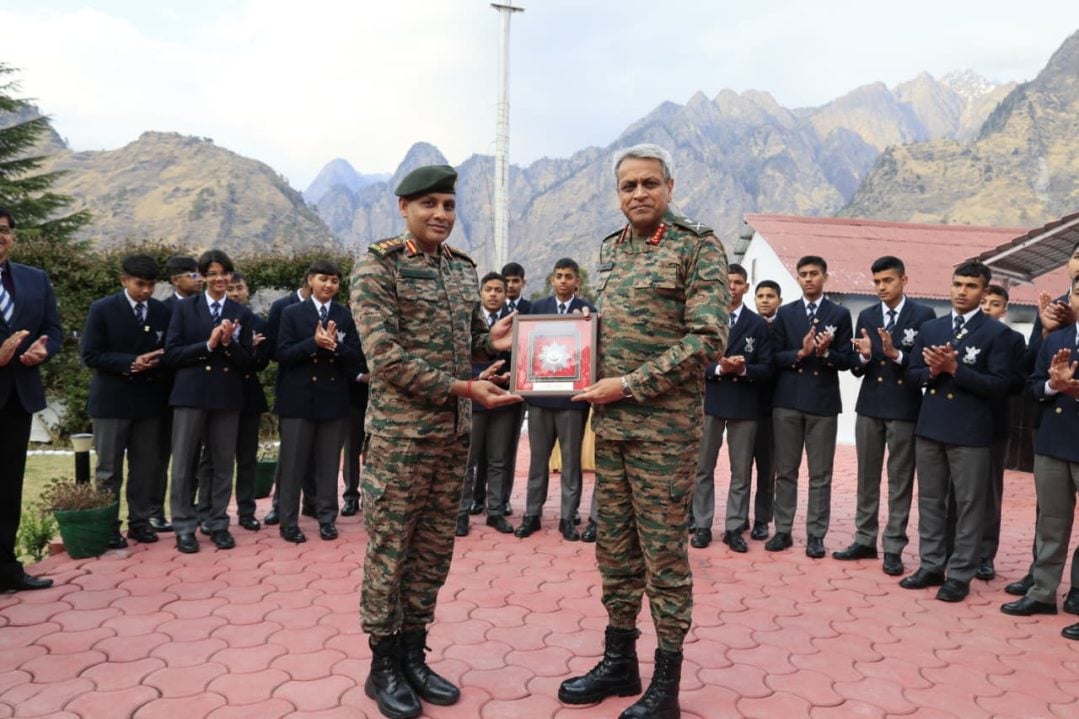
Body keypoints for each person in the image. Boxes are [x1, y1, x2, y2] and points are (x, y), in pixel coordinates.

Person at [558, 144, 728, 719]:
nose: (638, 194)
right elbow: (610, 326)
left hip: (663, 432)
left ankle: (667, 682)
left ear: (670, 187)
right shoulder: (610, 249)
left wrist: (628, 384)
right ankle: (620, 660)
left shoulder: (697, 246)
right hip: (611, 426)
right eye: (628, 185)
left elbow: (706, 340)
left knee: (663, 554)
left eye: (648, 183)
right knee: (615, 549)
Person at [351, 164, 520, 719]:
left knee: (432, 553)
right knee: (390, 552)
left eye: (448, 204)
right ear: (403, 207)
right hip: (401, 438)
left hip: (451, 437)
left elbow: (468, 337)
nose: (441, 215)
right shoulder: (379, 267)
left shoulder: (461, 269)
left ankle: (413, 653)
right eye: (429, 204)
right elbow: (386, 358)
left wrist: (488, 339)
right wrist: (461, 386)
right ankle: (382, 666)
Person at [901, 261, 1014, 603]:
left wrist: (955, 369)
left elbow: (1001, 385)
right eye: (957, 284)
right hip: (932, 425)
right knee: (932, 500)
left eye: (971, 286)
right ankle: (931, 565)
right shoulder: (932, 328)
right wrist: (932, 373)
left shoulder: (999, 335)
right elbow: (911, 373)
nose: (962, 291)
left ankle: (961, 573)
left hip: (971, 430)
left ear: (984, 292)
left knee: (968, 504)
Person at [833, 256, 935, 575]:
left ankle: (893, 546)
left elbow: (921, 365)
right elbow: (855, 365)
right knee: (867, 476)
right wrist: (863, 358)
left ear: (904, 281)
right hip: (870, 406)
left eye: (887, 281)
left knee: (900, 479)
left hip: (904, 406)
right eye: (876, 281)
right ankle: (865, 539)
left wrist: (896, 354)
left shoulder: (923, 315)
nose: (880, 287)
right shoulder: (866, 314)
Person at [1001, 273, 1079, 635]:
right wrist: (1053, 384)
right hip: (1053, 442)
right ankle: (1043, 593)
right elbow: (1033, 387)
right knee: (1051, 523)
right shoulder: (1057, 339)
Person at [164, 249, 254, 554]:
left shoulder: (242, 313)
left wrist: (228, 345)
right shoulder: (185, 309)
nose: (219, 279)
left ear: (230, 276)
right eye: (212, 273)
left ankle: (218, 523)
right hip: (191, 394)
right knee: (184, 463)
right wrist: (209, 344)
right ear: (202, 276)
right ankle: (184, 526)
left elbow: (249, 364)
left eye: (223, 273)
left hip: (227, 395)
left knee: (222, 463)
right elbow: (172, 353)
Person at [80, 253, 172, 547]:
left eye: (151, 285)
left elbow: (170, 349)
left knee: (145, 466)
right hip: (111, 402)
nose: (146, 291)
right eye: (140, 284)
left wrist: (158, 360)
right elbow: (91, 354)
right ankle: (107, 527)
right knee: (108, 470)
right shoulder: (102, 309)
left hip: (149, 403)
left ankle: (140, 522)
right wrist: (131, 362)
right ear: (124, 280)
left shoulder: (161, 312)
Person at [767, 256, 854, 558]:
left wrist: (827, 353)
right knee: (786, 471)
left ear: (825, 277)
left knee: (821, 474)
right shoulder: (786, 313)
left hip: (822, 402)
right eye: (803, 274)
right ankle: (783, 530)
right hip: (788, 401)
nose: (808, 279)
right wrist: (800, 353)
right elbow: (774, 357)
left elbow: (849, 360)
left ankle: (816, 534)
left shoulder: (840, 314)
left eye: (814, 274)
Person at [276, 260, 362, 543]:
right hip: (298, 400)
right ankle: (288, 522)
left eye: (335, 281)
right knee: (293, 466)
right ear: (310, 280)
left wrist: (335, 346)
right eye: (323, 279)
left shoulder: (345, 315)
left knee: (328, 465)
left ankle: (327, 519)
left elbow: (356, 357)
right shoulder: (291, 313)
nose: (329, 285)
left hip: (333, 399)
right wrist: (313, 343)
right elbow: (283, 354)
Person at [690, 262, 772, 551]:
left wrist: (743, 370)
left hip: (745, 404)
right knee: (703, 468)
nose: (732, 287)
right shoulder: (706, 319)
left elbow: (767, 367)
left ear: (746, 287)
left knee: (741, 472)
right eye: (728, 281)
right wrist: (719, 370)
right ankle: (701, 525)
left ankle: (734, 527)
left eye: (738, 282)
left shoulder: (758, 324)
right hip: (711, 401)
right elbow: (693, 361)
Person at [0, 207, 61, 592]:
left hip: (17, 398)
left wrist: (44, 350)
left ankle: (6, 570)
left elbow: (51, 330)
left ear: (13, 235)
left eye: (4, 229)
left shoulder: (34, 279)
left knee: (8, 487)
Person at [516, 257, 596, 542]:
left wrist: (590, 321)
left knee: (571, 463)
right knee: (537, 461)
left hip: (572, 402)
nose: (563, 280)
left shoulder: (587, 312)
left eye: (568, 276)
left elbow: (592, 350)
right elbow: (526, 347)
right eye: (558, 275)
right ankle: (532, 516)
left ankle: (567, 518)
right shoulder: (537, 309)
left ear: (577, 281)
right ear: (552, 279)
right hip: (540, 400)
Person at [194, 271, 269, 534]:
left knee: (246, 458)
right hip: (217, 396)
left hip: (247, 397)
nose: (236, 292)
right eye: (232, 287)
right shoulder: (209, 317)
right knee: (211, 458)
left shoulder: (256, 321)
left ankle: (246, 511)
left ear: (248, 290)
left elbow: (260, 362)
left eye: (240, 287)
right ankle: (206, 511)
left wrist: (251, 349)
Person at [967, 284, 1029, 580]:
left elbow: (1017, 381)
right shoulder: (963, 333)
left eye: (995, 304)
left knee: (989, 491)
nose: (989, 308)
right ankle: (955, 548)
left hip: (994, 424)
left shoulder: (1013, 340)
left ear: (1004, 310)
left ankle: (984, 554)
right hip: (960, 424)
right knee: (957, 492)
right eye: (985, 303)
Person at [456, 272, 517, 537]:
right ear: (481, 293)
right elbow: (458, 355)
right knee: (468, 460)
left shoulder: (515, 323)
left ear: (506, 295)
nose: (493, 294)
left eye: (498, 290)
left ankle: (495, 511)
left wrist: (510, 376)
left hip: (504, 397)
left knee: (498, 458)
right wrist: (477, 377)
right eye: (488, 289)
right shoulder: (468, 320)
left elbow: (526, 356)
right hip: (474, 396)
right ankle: (460, 514)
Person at [150, 255, 203, 533]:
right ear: (175, 280)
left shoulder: (204, 307)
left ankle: (189, 506)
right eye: (191, 275)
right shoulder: (162, 309)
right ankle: (155, 510)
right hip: (165, 391)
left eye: (199, 275)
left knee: (192, 455)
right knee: (162, 455)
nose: (198, 280)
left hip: (196, 392)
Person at [263, 280, 318, 525]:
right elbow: (276, 349)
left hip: (322, 390)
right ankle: (280, 506)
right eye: (322, 279)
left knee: (316, 453)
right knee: (290, 454)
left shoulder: (332, 309)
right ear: (310, 280)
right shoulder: (283, 307)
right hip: (294, 387)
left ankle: (313, 502)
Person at [748, 279, 782, 541]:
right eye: (761, 295)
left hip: (772, 409)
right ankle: (738, 517)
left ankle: (762, 519)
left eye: (771, 295)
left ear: (779, 300)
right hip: (745, 406)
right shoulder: (748, 325)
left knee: (767, 468)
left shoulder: (784, 326)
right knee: (741, 468)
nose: (765, 300)